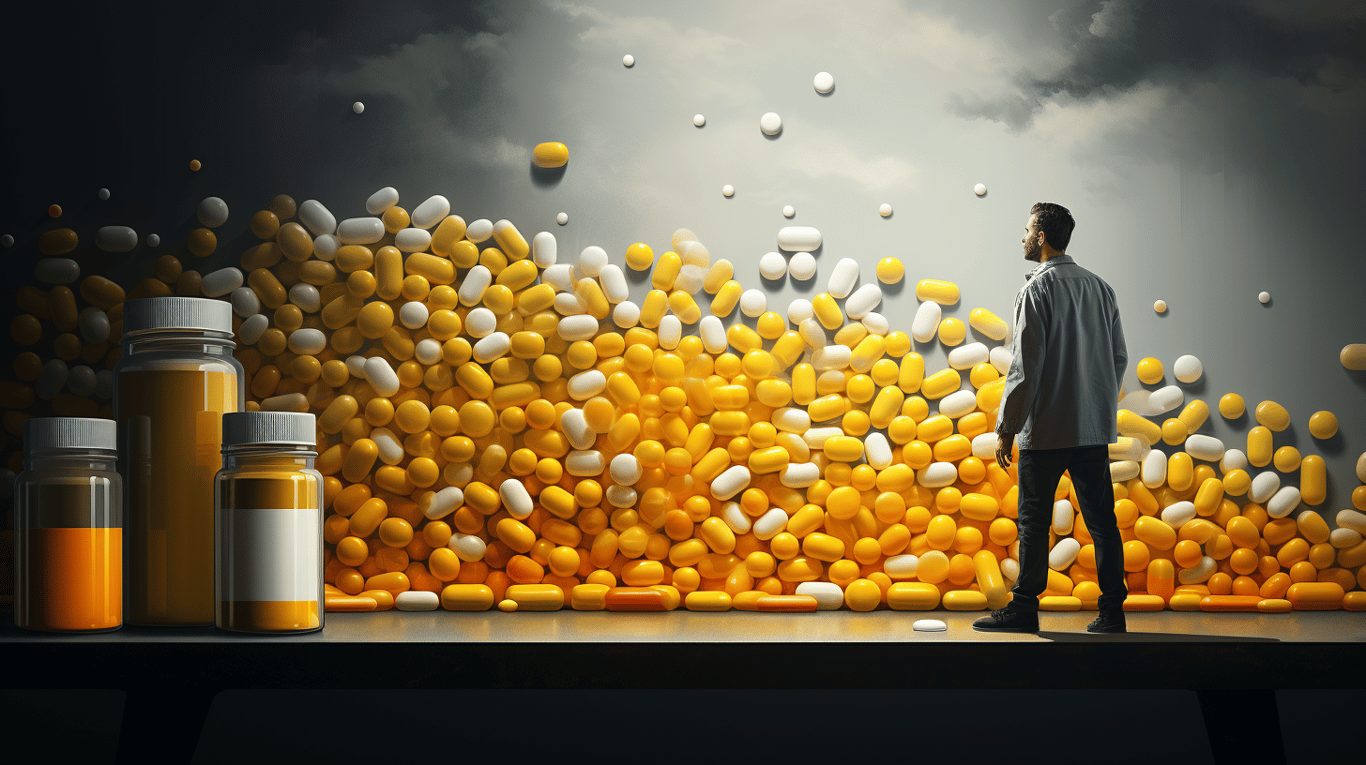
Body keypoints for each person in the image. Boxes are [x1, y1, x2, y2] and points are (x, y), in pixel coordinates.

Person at [972, 202, 1130, 635]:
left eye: (1026, 230)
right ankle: (1113, 612)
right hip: (1091, 428)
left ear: (1042, 237)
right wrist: (1096, 405)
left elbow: (1026, 366)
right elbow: (1118, 358)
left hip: (1044, 429)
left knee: (1033, 521)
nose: (1022, 237)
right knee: (1103, 523)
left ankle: (1024, 606)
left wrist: (1007, 426)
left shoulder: (1036, 290)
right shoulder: (1102, 289)